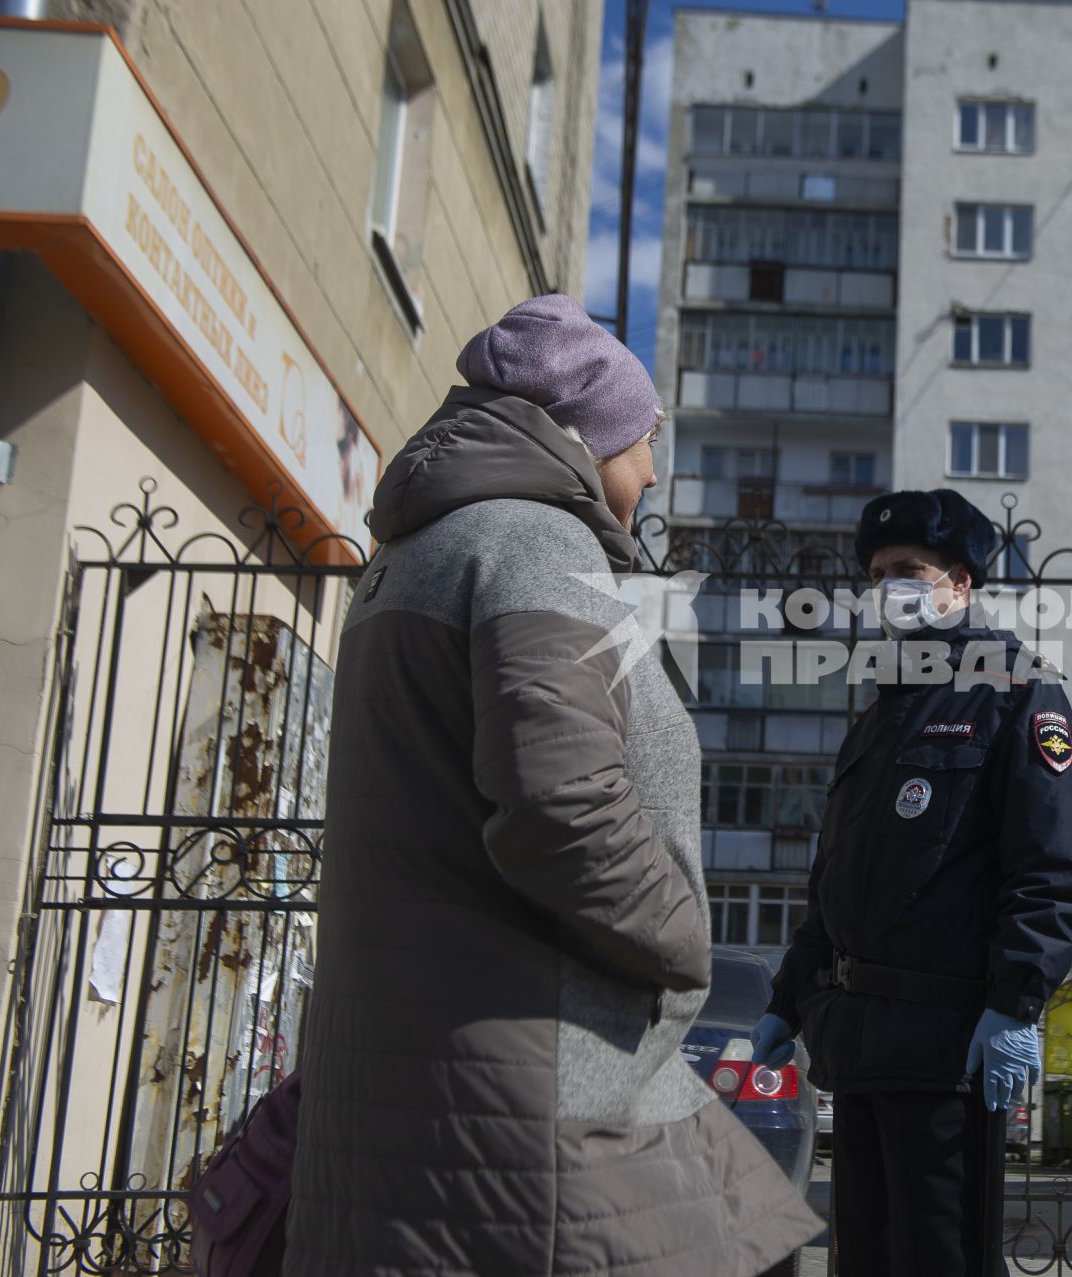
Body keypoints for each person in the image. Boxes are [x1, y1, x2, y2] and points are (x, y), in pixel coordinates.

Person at [286, 294, 820, 1276]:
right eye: (647, 438)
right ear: (585, 437)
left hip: (433, 1075)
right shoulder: (534, 543)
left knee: (749, 1221)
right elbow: (560, 805)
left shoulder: (417, 552)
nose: (653, 470)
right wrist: (687, 933)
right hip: (529, 1080)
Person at [750, 490, 1072, 1276]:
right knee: (864, 1261)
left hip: (949, 1053)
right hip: (860, 1050)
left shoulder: (1016, 693)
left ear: (961, 583)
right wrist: (787, 997)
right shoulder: (877, 718)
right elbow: (836, 892)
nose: (888, 587)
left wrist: (1015, 1003)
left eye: (908, 569)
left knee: (941, 1258)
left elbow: (1053, 872)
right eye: (877, 573)